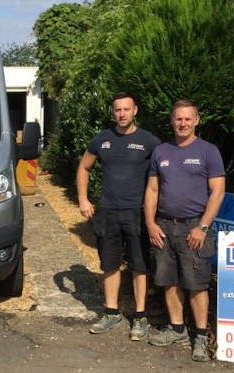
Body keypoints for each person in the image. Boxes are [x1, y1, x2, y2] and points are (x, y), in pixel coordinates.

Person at [143, 99, 225, 362]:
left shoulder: (208, 151)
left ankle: (200, 336)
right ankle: (177, 328)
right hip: (164, 226)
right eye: (178, 118)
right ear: (172, 121)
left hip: (194, 227)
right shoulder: (161, 152)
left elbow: (218, 192)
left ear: (197, 120)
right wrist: (150, 223)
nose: (183, 123)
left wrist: (202, 226)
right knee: (169, 280)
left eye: (187, 119)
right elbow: (153, 190)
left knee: (197, 284)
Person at [76, 92, 160, 339]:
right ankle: (112, 313)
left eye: (126, 109)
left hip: (136, 212)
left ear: (135, 111)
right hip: (108, 212)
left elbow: (163, 172)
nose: (122, 114)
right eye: (117, 110)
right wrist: (83, 198)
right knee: (109, 264)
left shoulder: (149, 141)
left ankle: (140, 317)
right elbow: (83, 167)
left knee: (139, 264)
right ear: (113, 112)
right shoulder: (102, 139)